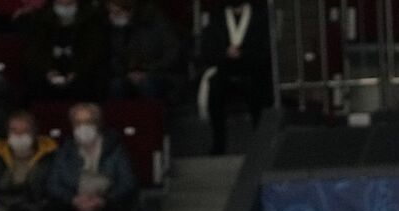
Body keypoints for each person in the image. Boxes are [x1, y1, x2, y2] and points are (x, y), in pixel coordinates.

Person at [198, 0, 273, 155]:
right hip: (225, 68)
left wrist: (243, 54)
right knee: (215, 89)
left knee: (257, 90)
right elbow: (208, 49)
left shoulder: (259, 17)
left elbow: (266, 49)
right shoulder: (217, 18)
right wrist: (225, 53)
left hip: (253, 69)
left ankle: (261, 143)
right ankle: (219, 144)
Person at [0, 110, 59, 211]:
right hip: (0, 206)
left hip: (34, 209)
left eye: (24, 131)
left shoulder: (49, 154)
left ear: (34, 132)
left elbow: (52, 188)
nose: (19, 135)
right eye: (14, 131)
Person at [25, 0, 108, 100]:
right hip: (48, 69)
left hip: (82, 69)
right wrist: (48, 71)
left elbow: (95, 50)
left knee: (95, 79)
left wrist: (76, 71)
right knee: (33, 81)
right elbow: (35, 50)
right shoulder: (40, 16)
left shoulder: (92, 16)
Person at [104, 0, 181, 100]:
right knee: (115, 86)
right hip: (126, 75)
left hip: (159, 73)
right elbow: (112, 57)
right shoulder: (115, 29)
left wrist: (147, 72)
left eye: (117, 12)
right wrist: (126, 73)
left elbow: (173, 53)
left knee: (147, 85)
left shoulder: (156, 22)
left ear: (128, 11)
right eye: (110, 13)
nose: (112, 16)